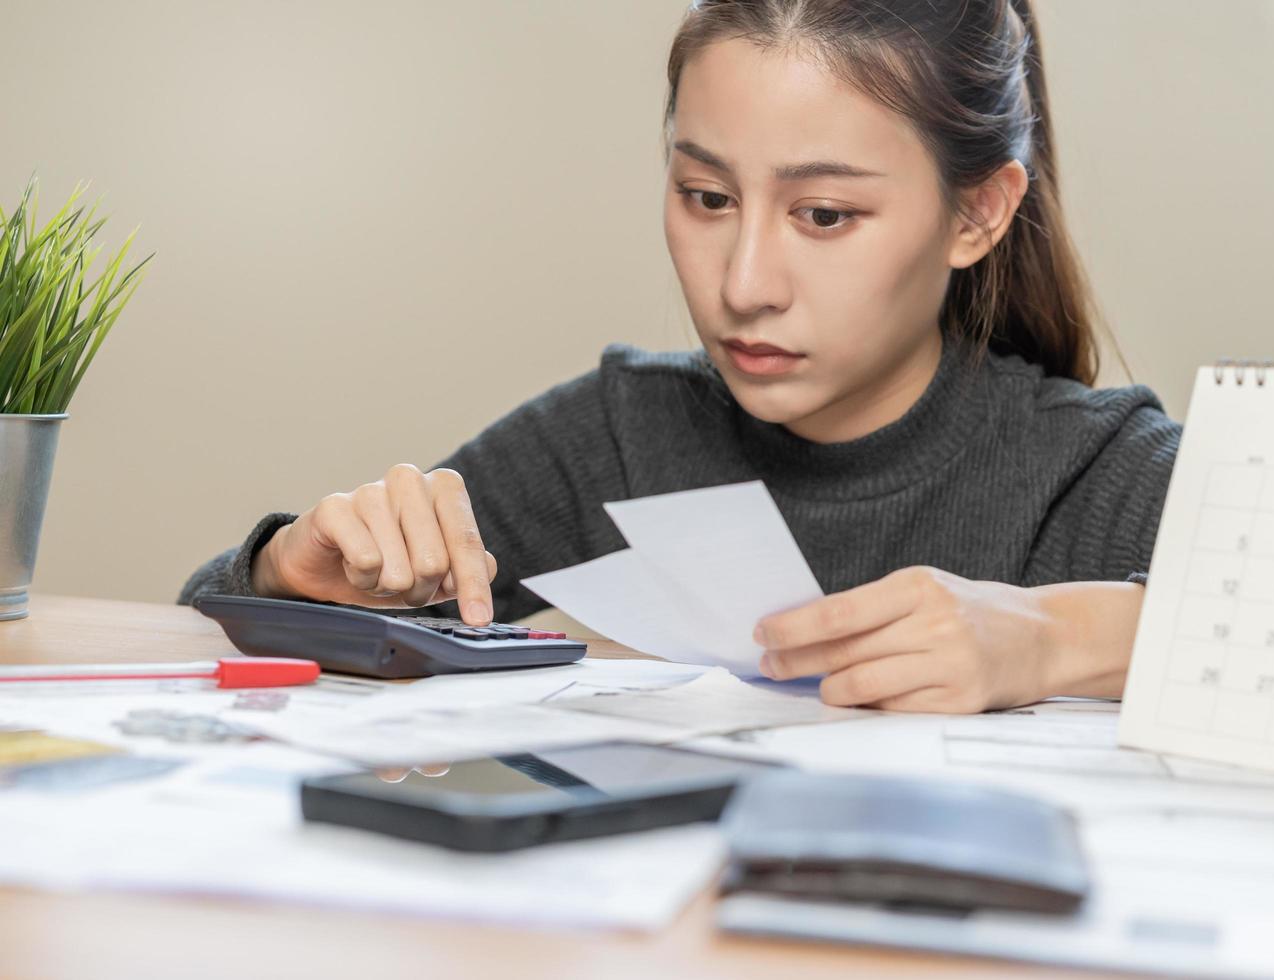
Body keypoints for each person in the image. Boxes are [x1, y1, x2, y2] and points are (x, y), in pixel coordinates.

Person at [180, 0, 1180, 714]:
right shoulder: (610, 439)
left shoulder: (1097, 471)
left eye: (824, 214)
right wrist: (287, 578)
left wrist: (1059, 638)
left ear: (978, 212)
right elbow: (195, 634)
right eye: (706, 196)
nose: (744, 283)